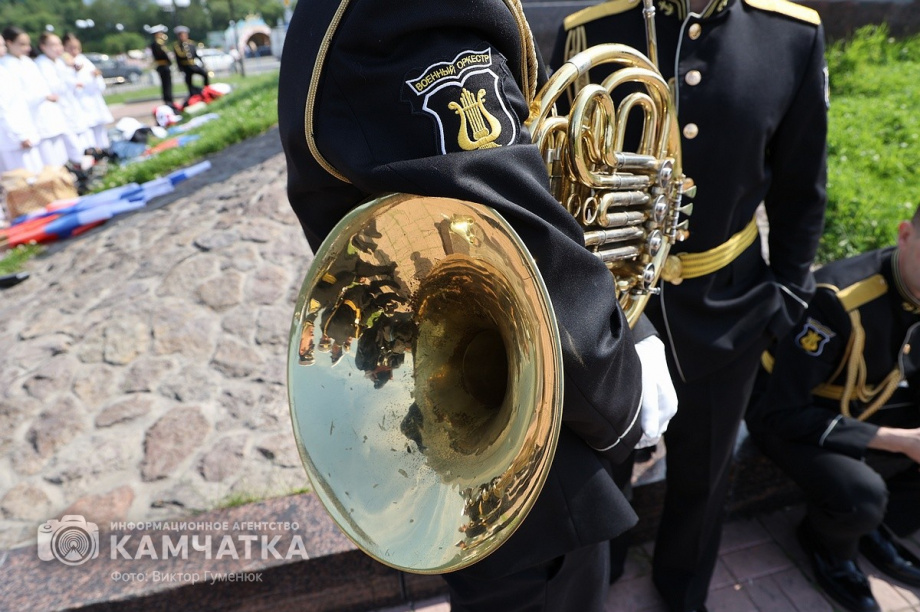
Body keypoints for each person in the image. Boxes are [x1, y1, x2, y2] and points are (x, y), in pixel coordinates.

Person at [278, 1, 677, 609]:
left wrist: (631, 313)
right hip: (533, 474)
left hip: (512, 427)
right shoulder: (404, 14)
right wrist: (619, 379)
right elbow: (516, 232)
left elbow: (532, 184)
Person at [550, 0, 829, 610]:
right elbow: (557, 189)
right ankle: (606, 567)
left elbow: (800, 189)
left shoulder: (791, 35)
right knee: (607, 462)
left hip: (730, 302)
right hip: (615, 308)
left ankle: (683, 592)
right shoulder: (589, 32)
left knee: (704, 477)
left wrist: (785, 295)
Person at [746, 204, 920, 612]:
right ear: (905, 236)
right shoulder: (839, 300)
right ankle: (830, 547)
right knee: (861, 497)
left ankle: (878, 531)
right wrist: (898, 441)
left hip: (867, 400)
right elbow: (782, 410)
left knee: (876, 503)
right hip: (790, 413)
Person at [2, 26, 70, 168]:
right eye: (22, 44)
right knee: (30, 174)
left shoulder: (27, 62)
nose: (27, 48)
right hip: (18, 130)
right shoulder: (7, 65)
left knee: (56, 164)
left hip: (36, 122)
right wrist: (19, 134)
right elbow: (8, 106)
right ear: (9, 43)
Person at [35, 31, 91, 168]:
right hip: (54, 113)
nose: (58, 48)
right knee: (65, 150)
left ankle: (81, 169)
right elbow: (54, 87)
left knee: (79, 144)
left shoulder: (60, 62)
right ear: (43, 46)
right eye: (53, 45)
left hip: (70, 108)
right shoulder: (41, 64)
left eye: (59, 44)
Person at [0, 32, 42, 175]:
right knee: (22, 181)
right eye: (0, 45)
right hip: (12, 139)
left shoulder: (3, 68)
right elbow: (3, 110)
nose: (3, 48)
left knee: (35, 177)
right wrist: (19, 136)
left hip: (20, 132)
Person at [62, 32, 113, 150]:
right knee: (86, 134)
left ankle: (104, 151)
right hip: (79, 103)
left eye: (77, 48)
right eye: (71, 48)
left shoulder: (83, 60)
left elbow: (98, 84)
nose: (75, 51)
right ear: (64, 47)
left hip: (93, 101)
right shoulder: (63, 63)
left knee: (100, 132)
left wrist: (95, 77)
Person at [148, 25, 178, 113]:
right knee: (167, 85)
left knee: (167, 85)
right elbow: (164, 55)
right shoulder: (158, 44)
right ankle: (169, 102)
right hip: (163, 66)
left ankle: (169, 101)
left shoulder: (157, 44)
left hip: (163, 66)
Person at [172, 25, 208, 96]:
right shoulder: (177, 46)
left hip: (193, 64)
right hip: (185, 66)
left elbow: (195, 54)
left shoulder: (191, 44)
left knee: (204, 74)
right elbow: (178, 59)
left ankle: (206, 89)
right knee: (188, 82)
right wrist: (180, 68)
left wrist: (202, 62)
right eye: (180, 35)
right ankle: (193, 93)